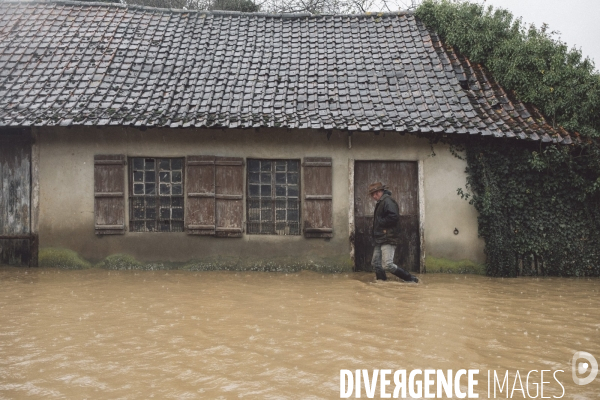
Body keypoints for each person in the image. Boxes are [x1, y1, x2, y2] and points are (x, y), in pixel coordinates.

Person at [368, 182, 419, 283]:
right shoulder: (381, 202)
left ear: (381, 191)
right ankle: (382, 283)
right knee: (376, 263)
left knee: (388, 265)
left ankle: (411, 279)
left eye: (376, 193)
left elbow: (394, 217)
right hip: (380, 238)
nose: (374, 196)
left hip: (388, 237)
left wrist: (380, 222)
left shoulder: (388, 201)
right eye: (372, 194)